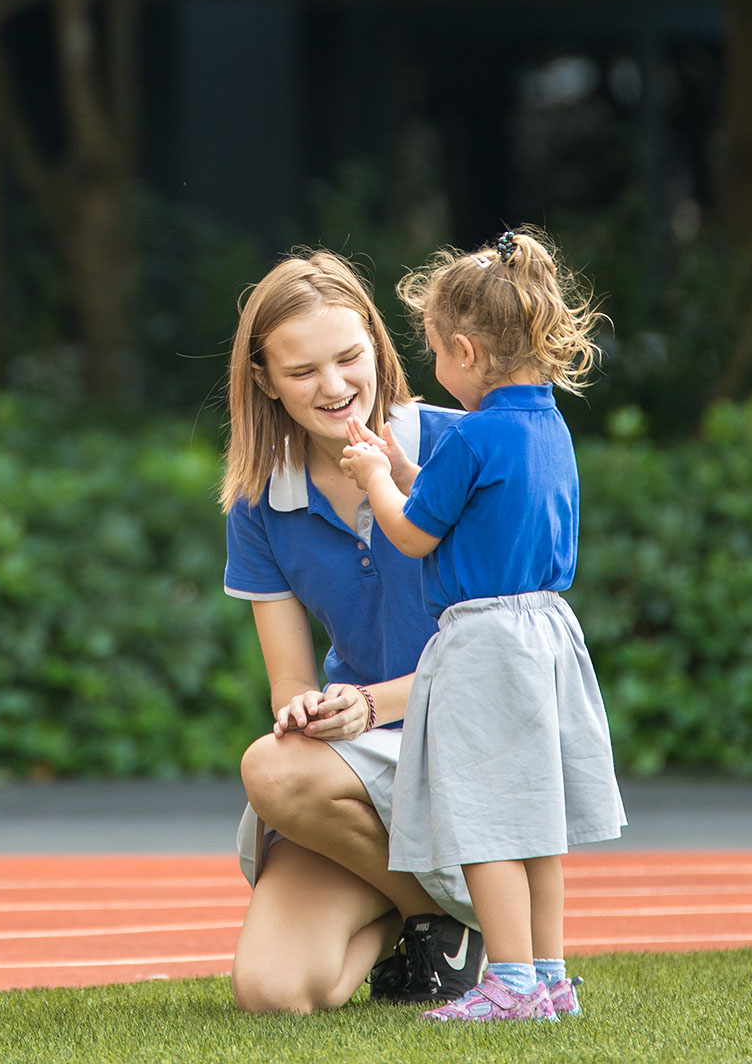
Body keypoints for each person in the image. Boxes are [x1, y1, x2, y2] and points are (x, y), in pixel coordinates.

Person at [341, 227, 626, 1023]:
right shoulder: (543, 427)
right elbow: (450, 502)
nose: (435, 365)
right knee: (535, 817)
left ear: (465, 351)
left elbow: (413, 533)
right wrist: (397, 468)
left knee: (486, 818)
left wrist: (370, 476)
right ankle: (550, 977)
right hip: (546, 636)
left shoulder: (473, 435)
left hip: (483, 642)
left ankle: (507, 982)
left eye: (434, 349)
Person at [221, 249, 486, 1014]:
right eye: (302, 372)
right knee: (277, 993)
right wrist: (304, 708)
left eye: (348, 357)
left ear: (376, 341)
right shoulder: (257, 501)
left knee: (275, 773)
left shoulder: (456, 448)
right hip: (360, 765)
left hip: (464, 741)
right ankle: (442, 920)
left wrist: (372, 705)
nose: (335, 388)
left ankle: (458, 914)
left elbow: (503, 656)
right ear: (265, 379)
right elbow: (291, 681)